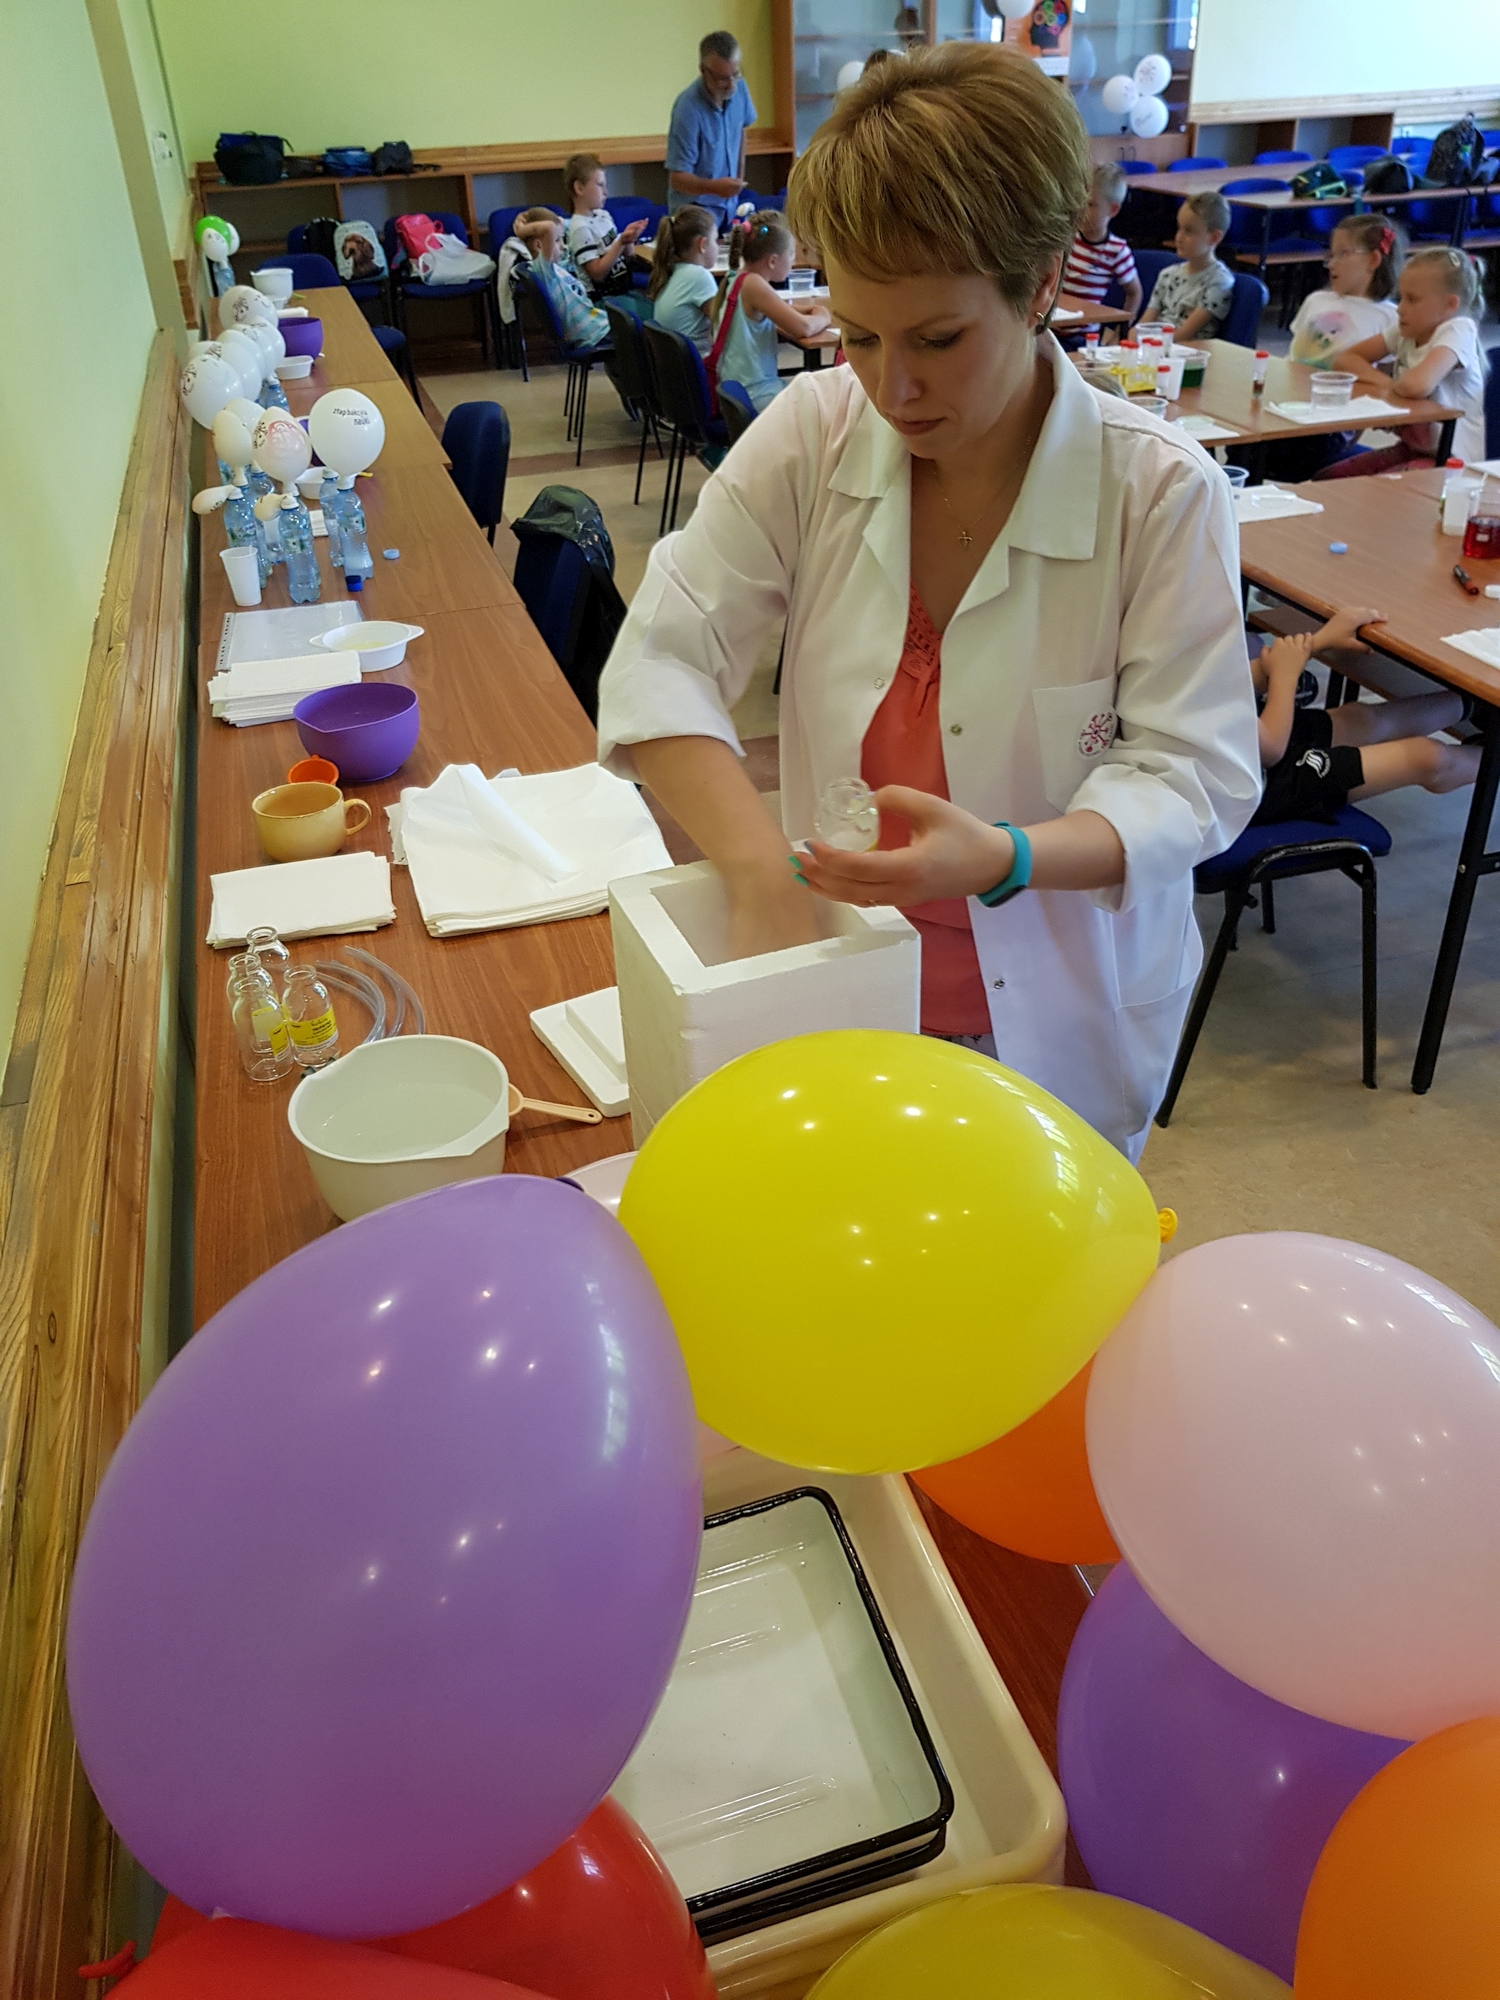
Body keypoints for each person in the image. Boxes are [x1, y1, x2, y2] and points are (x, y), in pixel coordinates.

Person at [596, 44, 1260, 1161]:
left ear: (1040, 283)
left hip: (1053, 1022)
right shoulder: (817, 434)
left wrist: (1008, 855)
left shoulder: (1157, 492)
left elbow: (1193, 773)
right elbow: (663, 655)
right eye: (858, 335)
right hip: (841, 980)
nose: (891, 386)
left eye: (938, 339)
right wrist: (757, 870)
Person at [1253, 609, 1478, 825]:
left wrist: (1318, 642)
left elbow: (1237, 681)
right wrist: (1285, 676)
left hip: (1255, 737)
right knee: (1426, 757)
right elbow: (1270, 750)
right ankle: (1490, 762)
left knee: (1360, 719)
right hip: (1261, 783)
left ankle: (1474, 706)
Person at [1234, 214, 1402, 483]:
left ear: (1373, 260)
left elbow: (1378, 385)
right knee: (1238, 432)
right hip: (1285, 406)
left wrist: (1351, 430)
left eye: (1343, 254)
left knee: (1259, 449)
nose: (1332, 264)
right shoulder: (1317, 300)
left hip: (1326, 426)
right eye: (1330, 255)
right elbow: (1292, 359)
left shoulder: (1388, 318)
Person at [1318, 245, 1488, 476]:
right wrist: (1388, 385)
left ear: (1449, 305)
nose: (1400, 309)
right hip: (1413, 450)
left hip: (1450, 463)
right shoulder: (1408, 330)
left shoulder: (1459, 329)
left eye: (1412, 299)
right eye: (1401, 298)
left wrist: (1394, 388)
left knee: (1366, 491)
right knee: (1329, 478)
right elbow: (1345, 359)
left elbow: (1417, 385)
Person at [712, 212, 832, 410]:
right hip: (757, 394)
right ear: (773, 261)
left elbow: (778, 309)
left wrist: (803, 310)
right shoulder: (754, 285)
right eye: (791, 253)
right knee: (825, 405)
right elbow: (804, 328)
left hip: (741, 391)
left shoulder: (738, 277)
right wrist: (824, 315)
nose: (793, 261)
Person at [666, 30, 757, 230]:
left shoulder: (740, 87)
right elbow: (678, 179)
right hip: (695, 215)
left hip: (729, 208)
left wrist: (739, 176)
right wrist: (714, 187)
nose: (731, 85)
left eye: (735, 74)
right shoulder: (687, 109)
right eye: (722, 79)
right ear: (703, 71)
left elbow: (742, 128)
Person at [1138, 191, 1234, 343]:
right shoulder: (1167, 274)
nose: (1179, 237)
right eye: (1179, 228)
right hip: (1155, 346)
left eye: (1188, 230)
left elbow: (1184, 334)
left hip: (1187, 351)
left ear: (1214, 237)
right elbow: (1144, 325)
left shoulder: (1219, 281)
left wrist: (1144, 341)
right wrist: (1135, 337)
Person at [1062, 163, 1142, 339]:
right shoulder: (1068, 238)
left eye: (1091, 204)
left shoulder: (1117, 251)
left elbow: (1135, 292)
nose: (1082, 210)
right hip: (1052, 329)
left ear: (1113, 210)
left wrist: (1119, 334)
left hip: (1082, 337)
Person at [513, 209, 609, 349]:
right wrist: (522, 231)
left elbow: (559, 225)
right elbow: (550, 227)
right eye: (557, 240)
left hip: (597, 327)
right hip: (594, 335)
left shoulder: (557, 267)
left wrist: (525, 218)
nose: (563, 246)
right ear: (539, 245)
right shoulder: (543, 270)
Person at [561, 154, 650, 299]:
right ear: (579, 188)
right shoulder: (579, 228)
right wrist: (620, 242)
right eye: (600, 185)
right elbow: (597, 274)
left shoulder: (603, 216)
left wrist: (629, 240)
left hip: (623, 290)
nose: (605, 192)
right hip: (603, 299)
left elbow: (628, 256)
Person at [650, 205, 720, 353]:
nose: (717, 247)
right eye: (715, 240)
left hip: (676, 363)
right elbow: (723, 325)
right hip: (698, 362)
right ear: (702, 244)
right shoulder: (699, 277)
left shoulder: (672, 271)